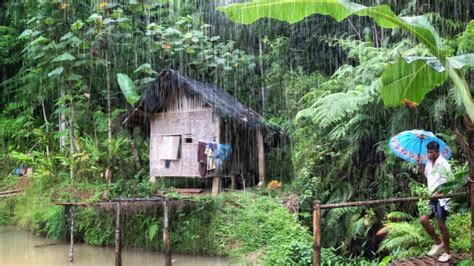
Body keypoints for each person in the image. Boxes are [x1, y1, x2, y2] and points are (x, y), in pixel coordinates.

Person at [417, 141, 451, 262]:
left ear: (437, 152)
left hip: (442, 198)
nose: (429, 154)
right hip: (431, 197)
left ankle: (447, 253)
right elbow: (428, 176)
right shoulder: (428, 163)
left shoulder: (444, 164)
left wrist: (438, 195)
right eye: (427, 152)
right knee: (423, 219)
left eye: (431, 152)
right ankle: (438, 242)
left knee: (441, 225)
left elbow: (449, 183)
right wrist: (420, 165)